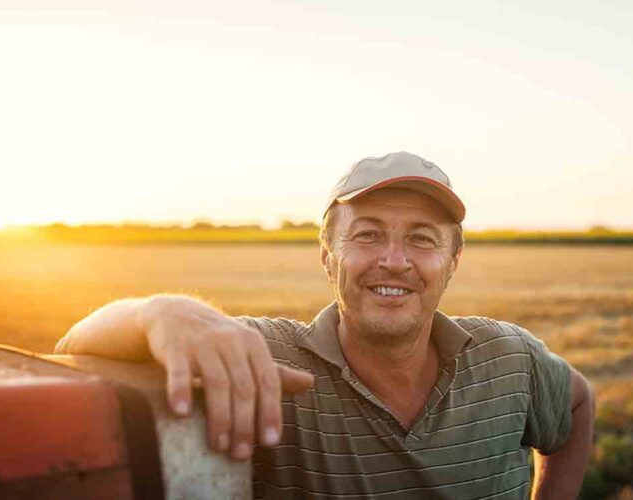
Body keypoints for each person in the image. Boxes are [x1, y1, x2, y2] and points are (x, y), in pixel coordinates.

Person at [55, 152, 596, 499]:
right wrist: (161, 314)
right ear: (326, 256)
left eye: (422, 239)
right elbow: (70, 348)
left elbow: (576, 402)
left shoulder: (508, 356)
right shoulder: (264, 357)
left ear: (453, 260)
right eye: (366, 235)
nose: (394, 260)